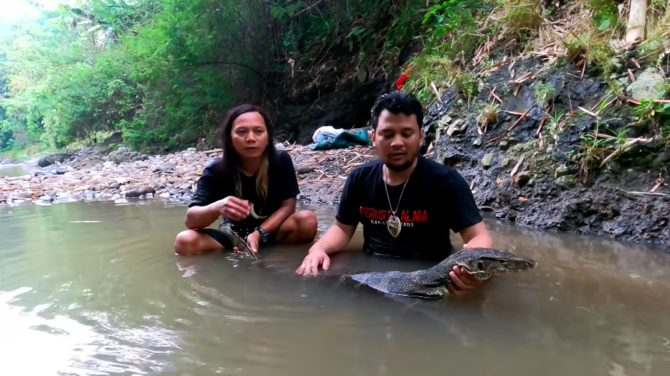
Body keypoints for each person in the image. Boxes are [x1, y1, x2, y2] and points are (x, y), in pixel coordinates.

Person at [295, 92, 493, 297]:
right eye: (387, 134)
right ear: (374, 138)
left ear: (421, 137)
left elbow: (479, 236)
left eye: (406, 134)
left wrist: (470, 268)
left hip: (431, 274)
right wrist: (318, 249)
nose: (397, 142)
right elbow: (342, 229)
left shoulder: (446, 182)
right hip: (373, 269)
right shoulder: (359, 179)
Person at [175, 104, 318, 256]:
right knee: (184, 241)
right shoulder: (216, 170)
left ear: (268, 137)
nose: (250, 138)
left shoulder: (280, 161)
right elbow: (191, 221)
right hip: (233, 236)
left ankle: (278, 257)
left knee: (307, 221)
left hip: (271, 231)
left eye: (258, 131)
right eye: (241, 132)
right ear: (230, 139)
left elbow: (288, 207)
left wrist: (259, 233)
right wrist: (217, 207)